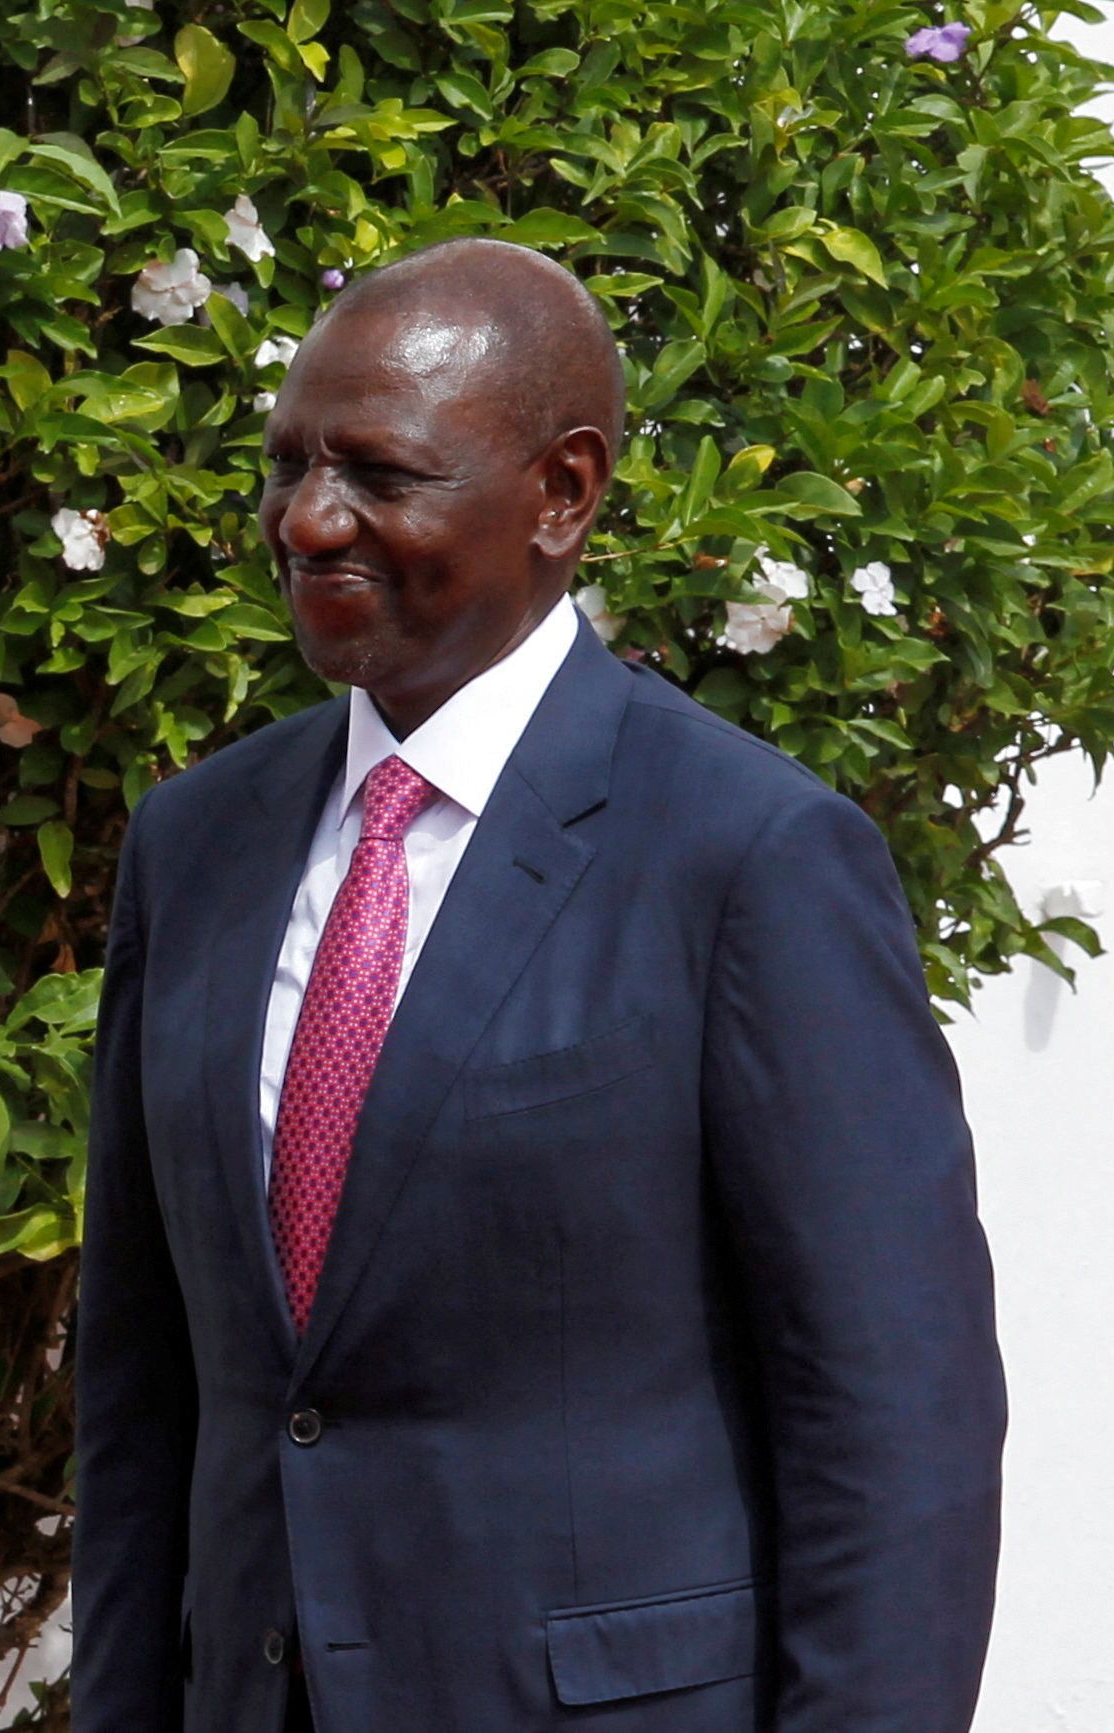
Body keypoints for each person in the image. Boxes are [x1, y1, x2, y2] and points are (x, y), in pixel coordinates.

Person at [70, 239, 1006, 1730]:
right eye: (290, 464)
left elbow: (893, 1428)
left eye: (379, 470)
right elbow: (137, 1388)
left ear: (562, 493)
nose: (309, 518)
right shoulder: (196, 846)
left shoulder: (749, 858)